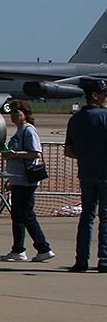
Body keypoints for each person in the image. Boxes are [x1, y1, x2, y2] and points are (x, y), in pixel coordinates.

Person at [0, 99, 52, 262]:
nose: (14, 116)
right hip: (17, 179)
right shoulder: (18, 132)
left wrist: (15, 154)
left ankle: (43, 247)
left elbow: (36, 153)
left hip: (26, 180)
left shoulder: (29, 131)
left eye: (17, 112)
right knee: (17, 216)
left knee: (27, 215)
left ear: (25, 115)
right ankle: (18, 249)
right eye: (12, 112)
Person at [64, 77, 107, 272]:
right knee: (104, 218)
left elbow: (69, 150)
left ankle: (81, 259)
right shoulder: (104, 116)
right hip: (104, 173)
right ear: (96, 96)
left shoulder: (75, 119)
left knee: (87, 216)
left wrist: (86, 156)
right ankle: (104, 260)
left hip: (86, 172)